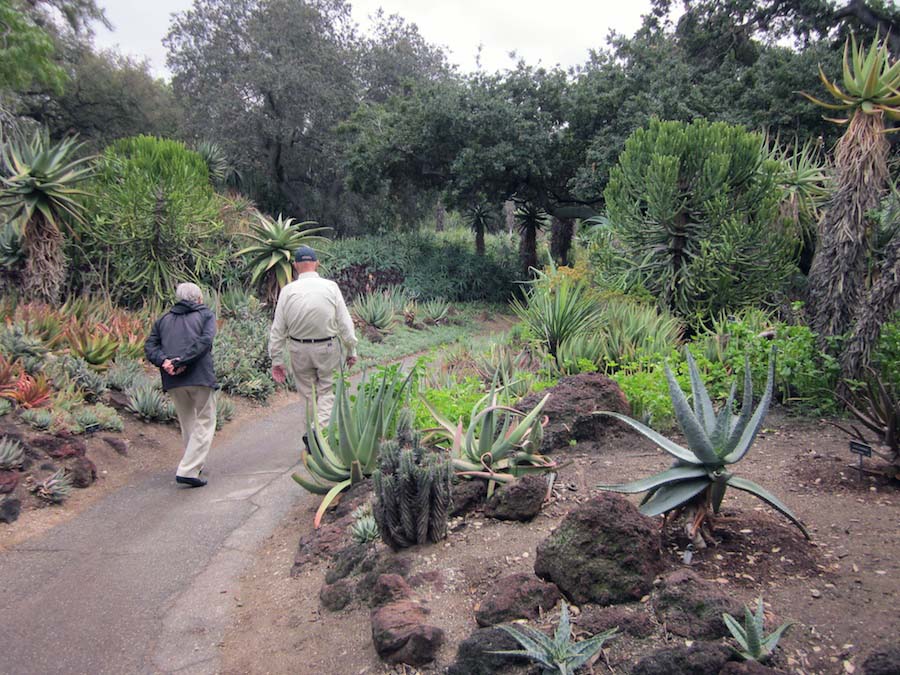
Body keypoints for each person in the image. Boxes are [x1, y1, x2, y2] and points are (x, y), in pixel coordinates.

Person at [268, 245, 357, 447]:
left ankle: (313, 435)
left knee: (308, 394)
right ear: (317, 263)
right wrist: (351, 349)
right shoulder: (330, 287)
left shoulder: (287, 291)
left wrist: (277, 359)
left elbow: (278, 329)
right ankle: (319, 432)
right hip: (327, 347)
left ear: (296, 265)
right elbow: (344, 322)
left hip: (298, 349)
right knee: (328, 391)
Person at [145, 282, 218, 488]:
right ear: (199, 298)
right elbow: (205, 341)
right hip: (200, 376)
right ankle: (188, 469)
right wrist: (181, 361)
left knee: (188, 422)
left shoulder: (163, 319)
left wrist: (165, 362)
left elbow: (150, 346)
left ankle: (193, 465)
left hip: (173, 380)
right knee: (205, 421)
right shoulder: (206, 316)